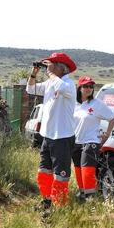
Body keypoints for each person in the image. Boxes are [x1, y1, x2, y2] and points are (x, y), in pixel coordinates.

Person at [27, 52, 77, 210]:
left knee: (60, 176)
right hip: (48, 136)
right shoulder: (50, 83)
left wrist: (50, 73)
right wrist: (33, 73)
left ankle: (59, 207)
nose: (48, 68)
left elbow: (61, 87)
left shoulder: (69, 85)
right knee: (44, 172)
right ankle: (46, 202)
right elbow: (30, 88)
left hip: (62, 136)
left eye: (51, 65)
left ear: (62, 68)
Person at [72, 76, 114, 201]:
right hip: (75, 142)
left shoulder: (97, 104)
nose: (89, 89)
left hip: (91, 141)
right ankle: (82, 194)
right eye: (85, 86)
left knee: (87, 170)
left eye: (91, 86)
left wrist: (106, 135)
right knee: (78, 169)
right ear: (79, 88)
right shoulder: (74, 104)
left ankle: (90, 198)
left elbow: (112, 118)